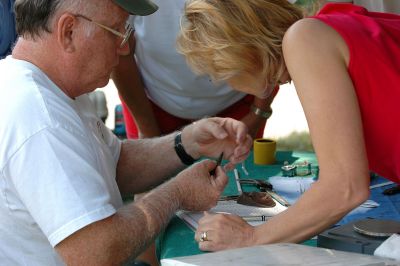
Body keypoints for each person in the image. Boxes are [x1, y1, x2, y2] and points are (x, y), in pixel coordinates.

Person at [0, 0, 253, 265]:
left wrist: (187, 142)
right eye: (116, 31)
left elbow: (114, 164)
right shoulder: (40, 116)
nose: (123, 49)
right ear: (69, 32)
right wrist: (178, 193)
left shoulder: (46, 87)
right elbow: (96, 252)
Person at [177, 0, 400, 251]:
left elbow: (345, 187)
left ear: (234, 52)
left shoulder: (305, 39)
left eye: (217, 73)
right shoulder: (330, 27)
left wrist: (249, 238)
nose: (227, 83)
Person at [112, 0, 278, 140]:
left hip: (240, 101)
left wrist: (257, 112)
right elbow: (119, 47)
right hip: (151, 104)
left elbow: (280, 26)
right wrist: (147, 130)